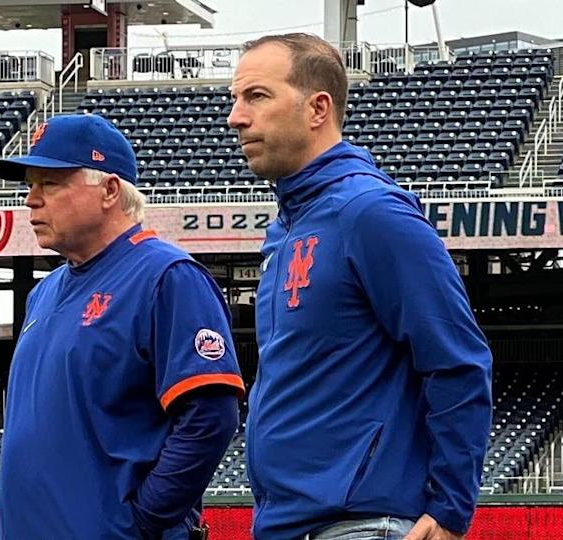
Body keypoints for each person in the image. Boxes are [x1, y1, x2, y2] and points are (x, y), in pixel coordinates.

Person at [228, 34, 493, 540]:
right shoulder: (286, 227)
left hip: (361, 524)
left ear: (317, 108)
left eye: (256, 96)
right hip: (290, 523)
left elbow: (458, 359)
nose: (236, 117)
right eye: (236, 100)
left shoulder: (372, 213)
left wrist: (452, 506)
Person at [0, 114, 245, 540]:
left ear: (109, 190)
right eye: (30, 186)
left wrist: (140, 523)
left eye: (50, 183)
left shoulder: (167, 276)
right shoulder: (45, 291)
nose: (32, 200)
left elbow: (210, 416)